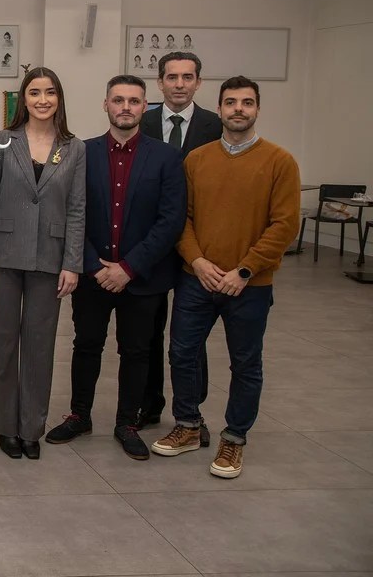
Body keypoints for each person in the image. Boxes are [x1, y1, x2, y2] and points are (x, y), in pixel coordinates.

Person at [151, 77, 299, 478]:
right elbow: (182, 218)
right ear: (218, 109)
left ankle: (234, 439)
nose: (238, 109)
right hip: (196, 280)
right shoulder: (197, 159)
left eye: (246, 103)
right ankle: (188, 425)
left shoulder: (279, 161)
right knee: (182, 354)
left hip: (250, 286)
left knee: (245, 363)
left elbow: (284, 225)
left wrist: (245, 270)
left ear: (256, 110)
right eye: (231, 102)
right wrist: (197, 261)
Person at [45, 76, 186, 460]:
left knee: (137, 351)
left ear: (146, 107)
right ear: (105, 104)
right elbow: (72, 213)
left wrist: (128, 268)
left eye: (135, 101)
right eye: (119, 100)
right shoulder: (80, 152)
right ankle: (80, 415)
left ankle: (127, 422)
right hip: (92, 274)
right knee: (86, 345)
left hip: (142, 278)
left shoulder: (167, 158)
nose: (126, 107)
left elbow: (171, 221)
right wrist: (94, 265)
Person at [0, 67, 86, 461]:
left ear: (59, 99)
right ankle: (6, 425)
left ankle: (30, 428)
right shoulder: (3, 142)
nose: (42, 100)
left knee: (39, 346)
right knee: (3, 343)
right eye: (34, 92)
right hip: (1, 256)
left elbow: (77, 208)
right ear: (24, 98)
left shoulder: (74, 148)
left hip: (49, 259)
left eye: (50, 92)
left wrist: (72, 263)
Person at [139, 51, 223, 436]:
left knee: (190, 337)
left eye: (187, 77)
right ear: (160, 83)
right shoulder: (142, 120)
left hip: (196, 246)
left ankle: (192, 412)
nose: (179, 84)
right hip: (152, 243)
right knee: (149, 331)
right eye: (172, 77)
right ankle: (149, 404)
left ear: (198, 83)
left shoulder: (216, 125)